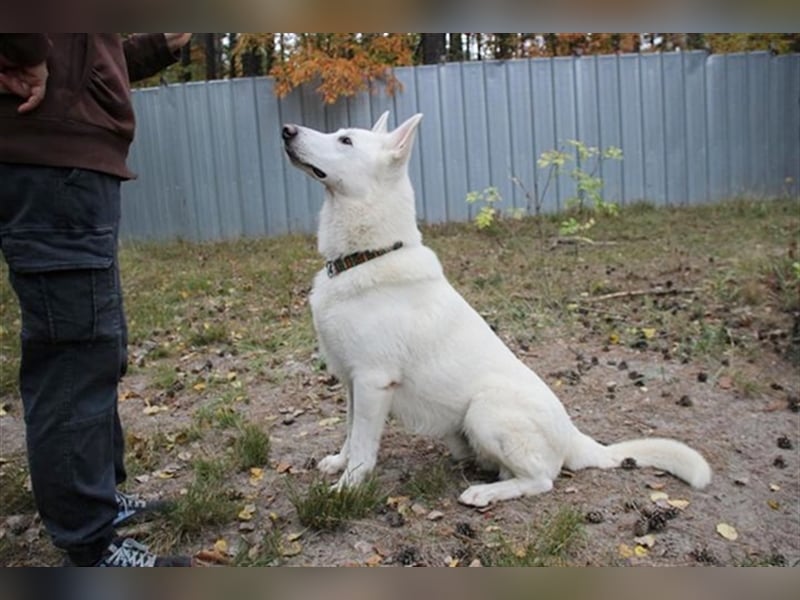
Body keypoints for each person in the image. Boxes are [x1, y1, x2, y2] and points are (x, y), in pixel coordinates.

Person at [0, 33, 193, 567]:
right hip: (48, 152)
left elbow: (85, 56)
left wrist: (155, 48)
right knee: (74, 353)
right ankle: (89, 544)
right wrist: (25, 49)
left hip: (71, 153)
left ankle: (97, 498)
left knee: (98, 345)